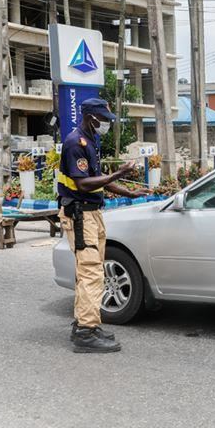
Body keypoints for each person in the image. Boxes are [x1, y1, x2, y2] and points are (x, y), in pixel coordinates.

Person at [58, 98, 150, 353]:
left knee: (92, 271)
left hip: (91, 214)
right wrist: (119, 173)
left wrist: (129, 192)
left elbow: (98, 179)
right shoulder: (75, 143)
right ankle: (85, 333)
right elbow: (82, 183)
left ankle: (86, 323)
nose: (106, 124)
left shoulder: (91, 140)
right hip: (80, 216)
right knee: (91, 272)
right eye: (104, 119)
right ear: (91, 118)